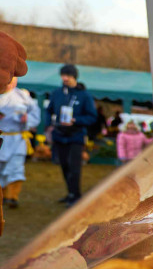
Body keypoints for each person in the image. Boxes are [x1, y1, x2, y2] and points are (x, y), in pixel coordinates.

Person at [46, 64, 97, 206]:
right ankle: (70, 193)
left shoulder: (84, 95)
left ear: (74, 76)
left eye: (67, 75)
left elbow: (92, 117)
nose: (64, 78)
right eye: (63, 75)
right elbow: (48, 110)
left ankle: (76, 196)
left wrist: (76, 121)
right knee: (64, 166)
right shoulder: (57, 93)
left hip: (76, 136)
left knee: (74, 167)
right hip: (59, 135)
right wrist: (48, 125)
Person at [0, 77, 41, 208]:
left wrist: (27, 119)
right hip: (2, 137)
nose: (11, 82)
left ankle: (12, 196)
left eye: (14, 79)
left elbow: (36, 114)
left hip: (17, 138)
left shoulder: (23, 96)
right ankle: (2, 195)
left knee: (16, 167)